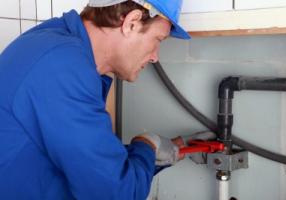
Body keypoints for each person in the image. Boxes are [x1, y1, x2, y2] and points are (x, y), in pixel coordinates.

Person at [0, 0, 191, 199]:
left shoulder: (58, 47)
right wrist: (148, 144)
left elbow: (88, 165)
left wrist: (151, 156)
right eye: (158, 40)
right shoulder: (63, 66)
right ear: (131, 22)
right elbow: (114, 194)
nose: (154, 57)